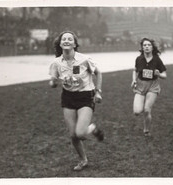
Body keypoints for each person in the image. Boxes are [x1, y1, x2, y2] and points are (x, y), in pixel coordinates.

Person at [49, 31, 104, 171]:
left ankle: (92, 128)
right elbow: (53, 81)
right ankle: (83, 159)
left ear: (74, 43)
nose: (66, 41)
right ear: (60, 43)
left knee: (80, 133)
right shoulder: (56, 62)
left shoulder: (84, 59)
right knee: (73, 135)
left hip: (85, 96)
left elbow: (98, 72)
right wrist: (53, 83)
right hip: (68, 97)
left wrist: (98, 92)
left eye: (70, 39)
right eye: (64, 39)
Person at [131, 38, 167, 137]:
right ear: (142, 48)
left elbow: (165, 75)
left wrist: (159, 74)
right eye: (145, 45)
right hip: (140, 85)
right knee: (137, 112)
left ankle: (146, 129)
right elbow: (135, 71)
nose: (147, 47)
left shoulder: (157, 59)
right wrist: (133, 80)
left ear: (152, 47)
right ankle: (141, 106)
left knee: (147, 109)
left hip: (153, 85)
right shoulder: (139, 59)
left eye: (149, 45)